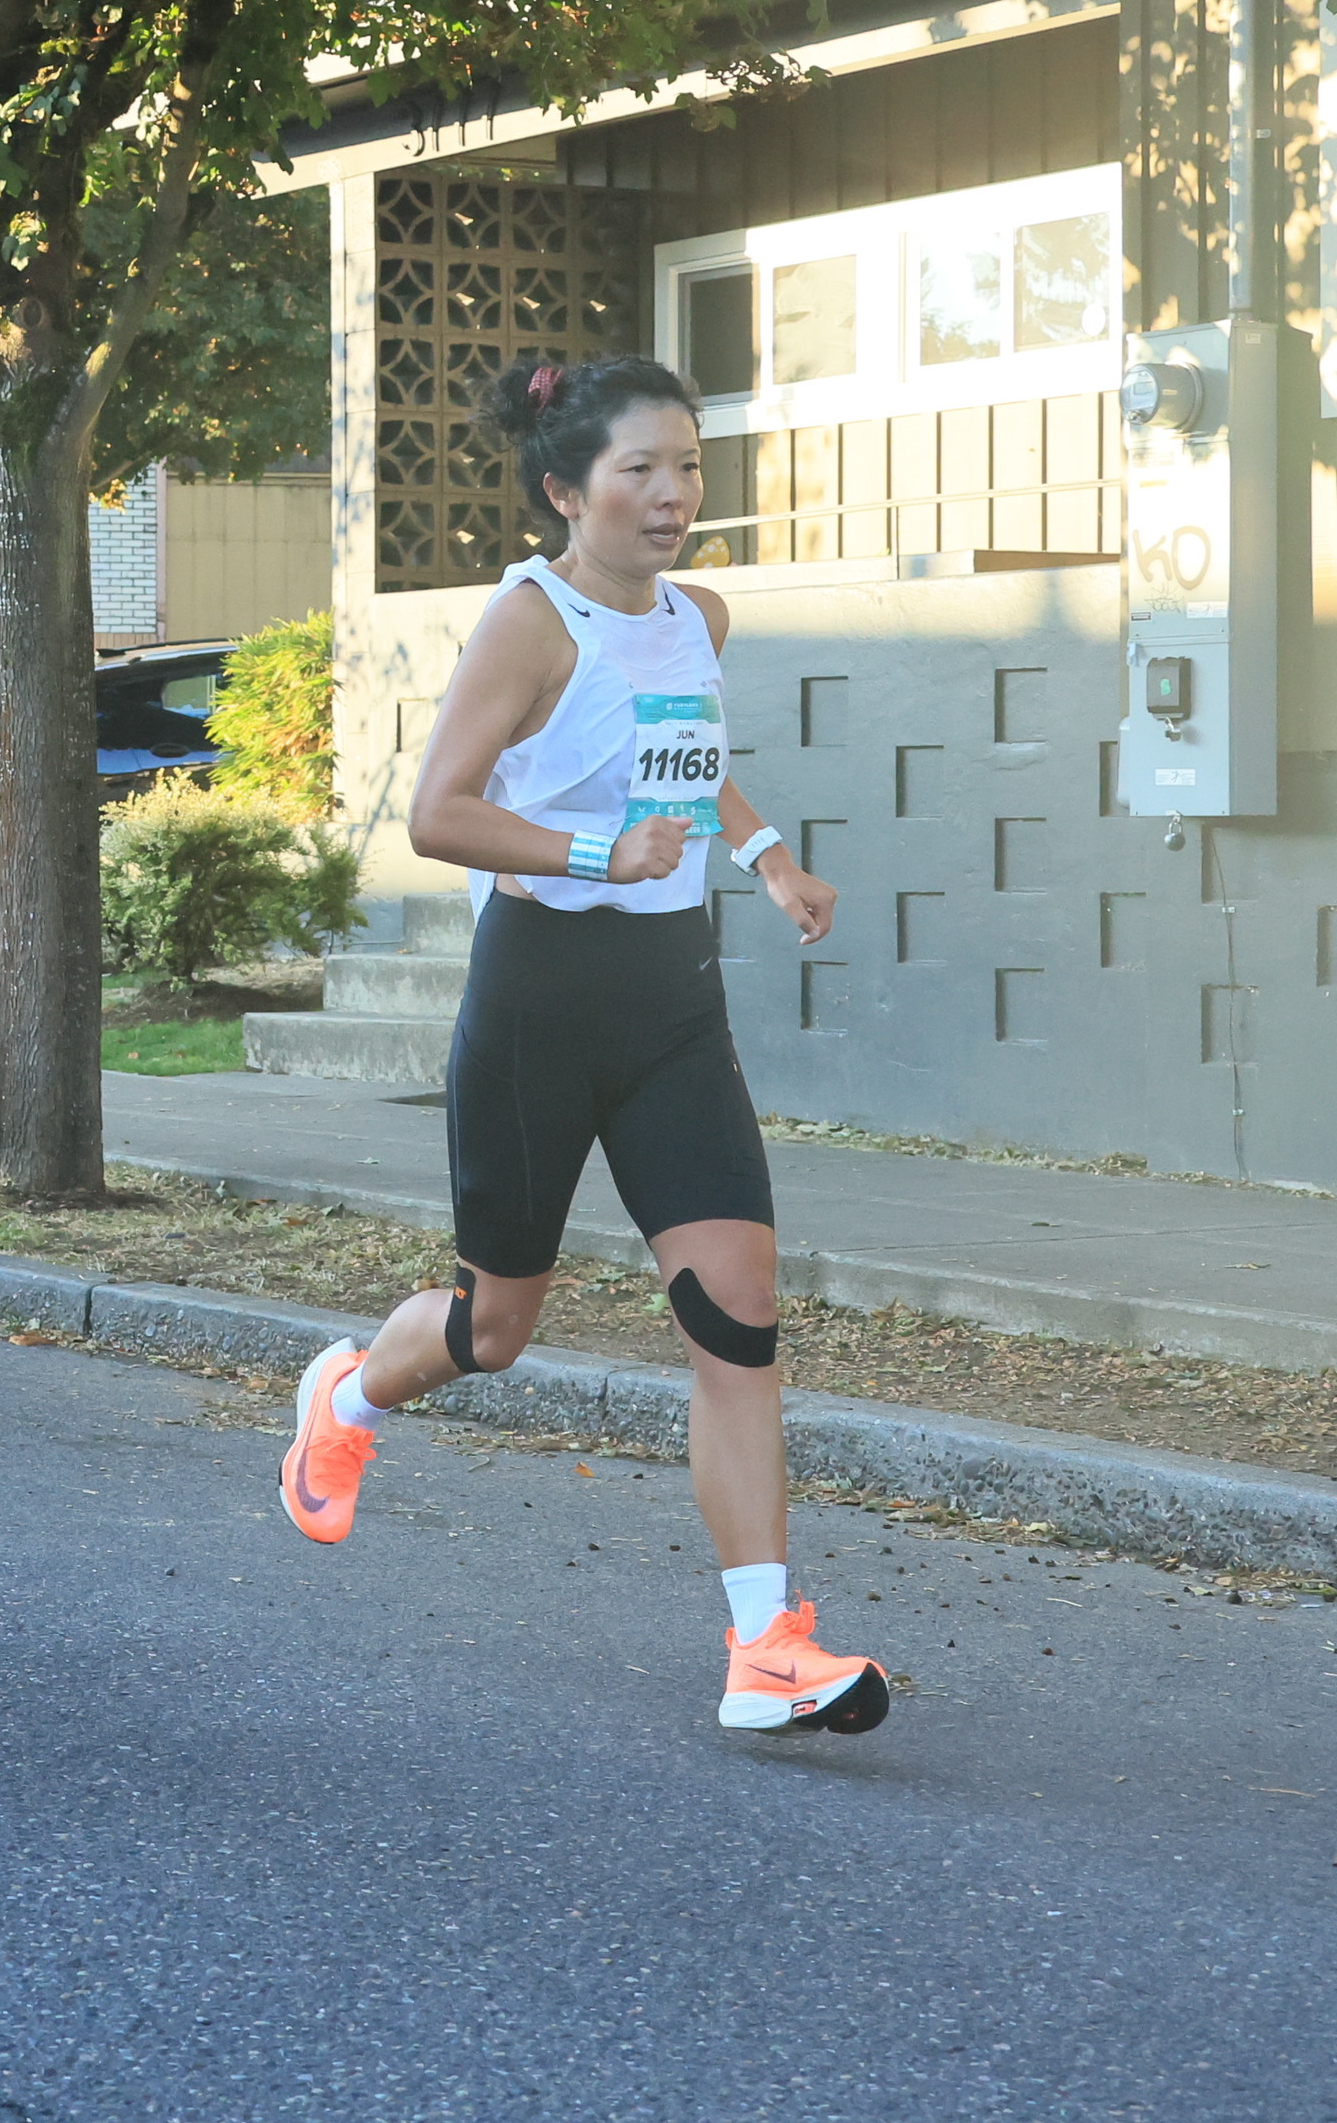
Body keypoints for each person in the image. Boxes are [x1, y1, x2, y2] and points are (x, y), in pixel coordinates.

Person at [274, 355, 892, 1738]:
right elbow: (438, 812)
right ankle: (350, 1394)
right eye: (641, 470)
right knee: (494, 1329)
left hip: (673, 1003)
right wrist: (599, 854)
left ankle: (764, 1645)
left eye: (690, 466)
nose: (675, 494)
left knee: (736, 1314)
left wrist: (769, 857)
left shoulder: (699, 615)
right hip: (539, 1002)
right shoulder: (529, 622)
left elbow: (687, 755)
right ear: (565, 489)